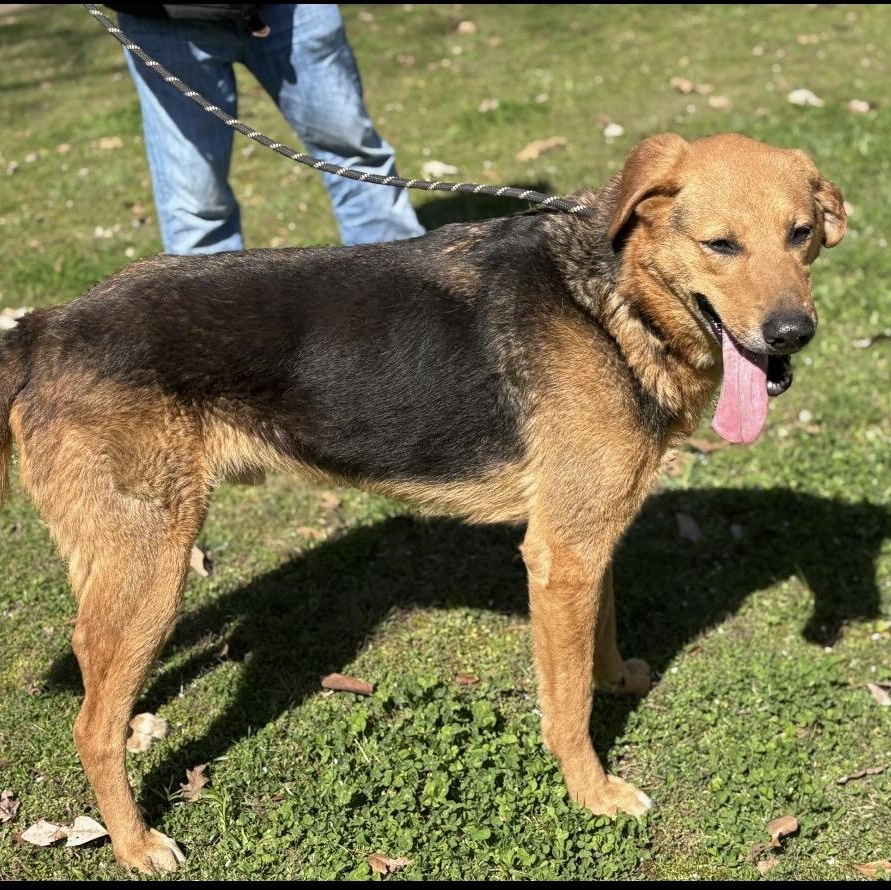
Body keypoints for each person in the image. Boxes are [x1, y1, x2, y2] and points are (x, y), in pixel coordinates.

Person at [104, 3, 425, 254]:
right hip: (163, 23)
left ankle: (399, 295)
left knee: (355, 161)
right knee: (195, 204)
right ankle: (213, 320)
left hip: (293, 11)